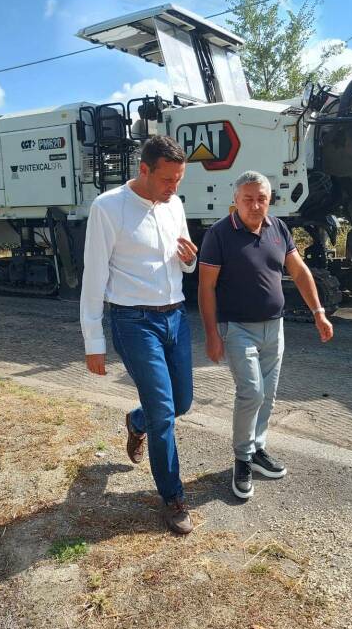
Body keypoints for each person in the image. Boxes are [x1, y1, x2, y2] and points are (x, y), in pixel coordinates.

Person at [80, 135, 197, 534]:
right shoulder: (108, 207)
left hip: (176, 317)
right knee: (165, 413)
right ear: (143, 169)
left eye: (179, 180)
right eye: (167, 180)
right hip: (134, 323)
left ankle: (136, 420)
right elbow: (94, 276)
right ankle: (173, 497)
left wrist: (190, 261)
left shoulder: (175, 205)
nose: (174, 189)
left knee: (181, 403)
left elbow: (181, 263)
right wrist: (93, 341)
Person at [198, 170, 334, 499]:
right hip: (237, 328)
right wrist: (212, 334)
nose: (255, 205)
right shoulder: (219, 234)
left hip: (275, 326)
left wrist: (319, 312)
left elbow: (299, 271)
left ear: (269, 200)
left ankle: (258, 450)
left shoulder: (278, 228)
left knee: (269, 395)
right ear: (236, 200)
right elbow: (206, 287)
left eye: (261, 199)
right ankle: (242, 459)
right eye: (248, 199)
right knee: (252, 393)